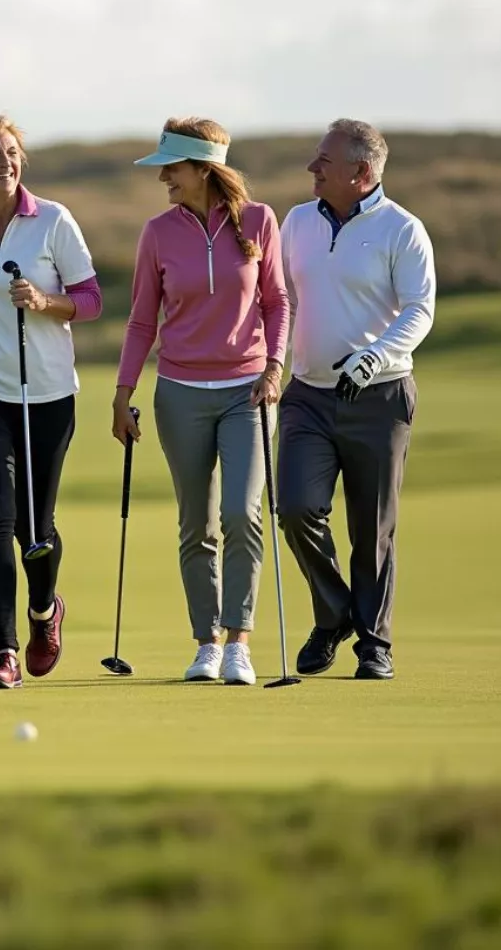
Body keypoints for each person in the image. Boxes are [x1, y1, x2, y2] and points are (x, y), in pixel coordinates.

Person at [113, 117, 290, 685]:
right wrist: (123, 393)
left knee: (242, 512)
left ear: (204, 169)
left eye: (174, 167)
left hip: (247, 391)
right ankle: (206, 643)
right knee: (198, 523)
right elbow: (143, 319)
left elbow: (277, 301)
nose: (164, 176)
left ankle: (240, 642)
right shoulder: (158, 232)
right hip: (181, 394)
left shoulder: (260, 221)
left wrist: (274, 366)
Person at [0, 115, 102, 689]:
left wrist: (44, 301)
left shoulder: (54, 220)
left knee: (36, 525)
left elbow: (91, 299)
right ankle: (4, 651)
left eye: (11, 152)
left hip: (48, 390)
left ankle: (44, 609)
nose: (5, 162)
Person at [277, 118, 436, 681]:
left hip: (380, 395)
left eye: (324, 160)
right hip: (307, 395)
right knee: (294, 507)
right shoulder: (296, 222)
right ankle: (335, 613)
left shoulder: (402, 230)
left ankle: (374, 642)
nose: (312, 168)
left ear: (361, 172)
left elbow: (419, 310)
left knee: (372, 529)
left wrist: (374, 355)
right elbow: (282, 300)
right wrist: (272, 362)